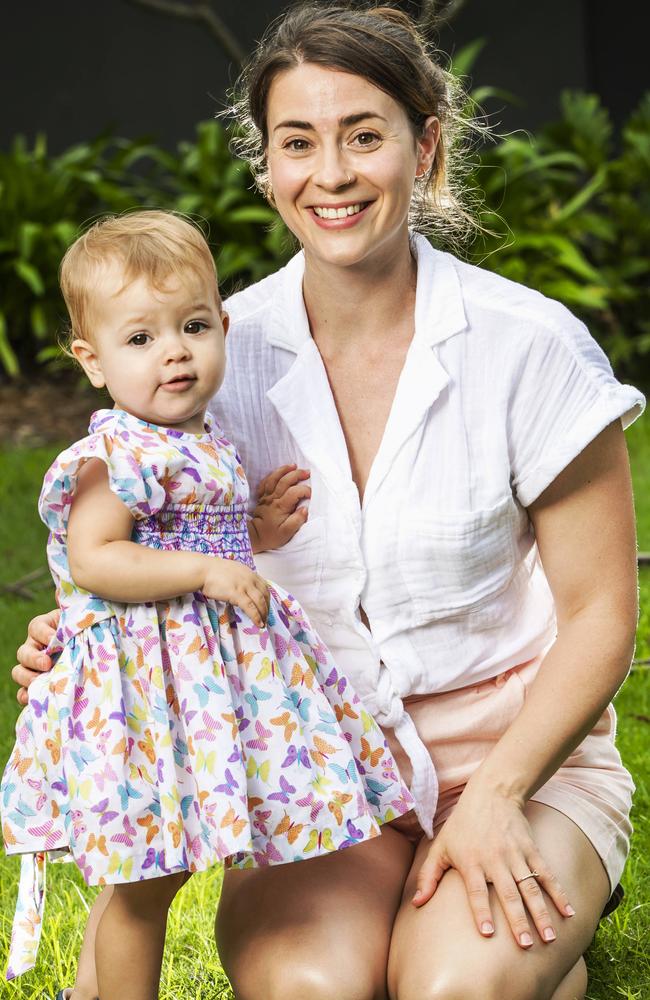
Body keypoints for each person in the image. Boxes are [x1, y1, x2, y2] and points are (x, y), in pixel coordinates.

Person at [12, 4, 645, 999]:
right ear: (265, 166)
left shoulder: (527, 345)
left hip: (520, 759)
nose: (332, 174)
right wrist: (89, 632)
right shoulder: (210, 351)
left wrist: (494, 797)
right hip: (312, 762)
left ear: (423, 147)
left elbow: (603, 614)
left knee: (452, 990)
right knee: (313, 986)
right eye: (296, 143)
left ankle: (513, 948)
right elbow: (156, 541)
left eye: (363, 135)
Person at [1, 210, 414, 1000]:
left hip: (200, 694)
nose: (174, 351)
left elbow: (198, 537)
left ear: (224, 324)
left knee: (162, 861)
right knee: (150, 876)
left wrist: (248, 531)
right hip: (144, 698)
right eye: (140, 339)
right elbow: (96, 557)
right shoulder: (112, 455)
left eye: (192, 325)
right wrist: (204, 569)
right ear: (92, 361)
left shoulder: (207, 436)